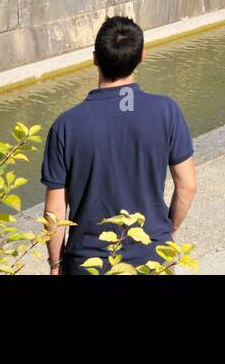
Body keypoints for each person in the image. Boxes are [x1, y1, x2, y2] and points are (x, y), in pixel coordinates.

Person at [41, 16, 197, 274]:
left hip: (88, 263)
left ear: (95, 58)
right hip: (152, 257)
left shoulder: (65, 126)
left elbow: (54, 210)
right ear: (142, 56)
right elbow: (188, 185)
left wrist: (56, 264)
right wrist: (167, 232)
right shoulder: (166, 111)